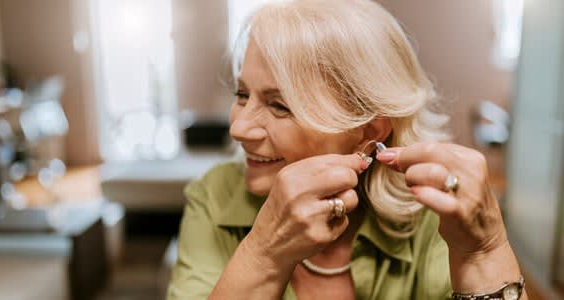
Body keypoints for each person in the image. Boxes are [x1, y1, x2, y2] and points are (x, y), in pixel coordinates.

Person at [167, 0, 528, 299]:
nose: (238, 127)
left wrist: (485, 251)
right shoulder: (214, 197)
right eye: (242, 95)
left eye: (280, 105)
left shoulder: (432, 213)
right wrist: (264, 252)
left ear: (368, 132)